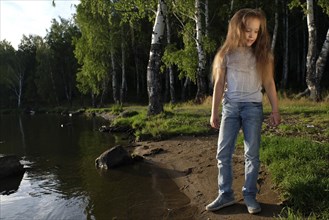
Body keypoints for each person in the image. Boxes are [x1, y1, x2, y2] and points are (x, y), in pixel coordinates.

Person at [206, 8, 281, 214]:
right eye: (248, 30)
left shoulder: (262, 55)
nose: (251, 35)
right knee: (223, 153)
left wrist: (275, 110)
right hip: (230, 107)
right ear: (236, 29)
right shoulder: (226, 55)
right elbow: (219, 85)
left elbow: (269, 83)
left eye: (256, 31)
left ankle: (249, 195)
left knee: (252, 154)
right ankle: (226, 195)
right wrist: (214, 113)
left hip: (253, 109)